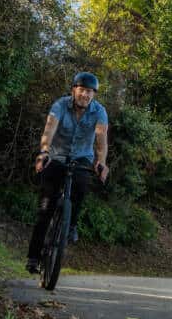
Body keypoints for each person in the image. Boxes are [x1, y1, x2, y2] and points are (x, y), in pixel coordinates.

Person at [25, 72, 109, 274]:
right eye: (82, 90)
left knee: (81, 184)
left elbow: (101, 141)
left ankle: (70, 226)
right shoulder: (60, 105)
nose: (86, 95)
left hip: (82, 157)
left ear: (94, 94)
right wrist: (44, 151)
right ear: (74, 90)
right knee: (45, 209)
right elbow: (49, 131)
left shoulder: (99, 112)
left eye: (90, 92)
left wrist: (101, 163)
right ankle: (33, 258)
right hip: (56, 156)